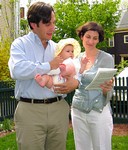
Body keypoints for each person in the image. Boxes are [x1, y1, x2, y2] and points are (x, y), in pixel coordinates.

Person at [8, 1, 79, 150]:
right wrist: (49, 66)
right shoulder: (19, 44)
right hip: (30, 111)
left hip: (59, 108)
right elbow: (17, 70)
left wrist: (75, 82)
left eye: (53, 22)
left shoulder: (58, 47)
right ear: (34, 24)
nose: (53, 27)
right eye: (47, 23)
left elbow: (74, 69)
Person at [71, 21, 114, 150]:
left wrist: (107, 90)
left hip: (99, 111)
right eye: (88, 36)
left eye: (95, 38)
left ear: (98, 40)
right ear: (82, 36)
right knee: (82, 147)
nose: (91, 41)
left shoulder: (106, 59)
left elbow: (110, 88)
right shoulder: (75, 59)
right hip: (78, 110)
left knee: (101, 147)